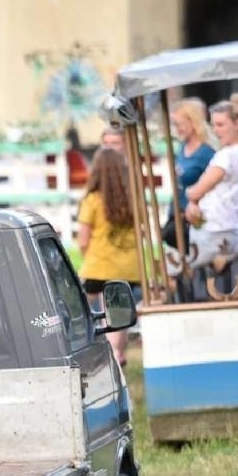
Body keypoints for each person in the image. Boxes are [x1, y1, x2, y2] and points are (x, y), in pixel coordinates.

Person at [75, 148, 143, 366]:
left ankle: (84, 348)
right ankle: (118, 352)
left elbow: (84, 240)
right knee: (118, 313)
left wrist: (89, 257)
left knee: (79, 307)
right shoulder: (134, 199)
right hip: (128, 268)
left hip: (99, 265)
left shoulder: (93, 200)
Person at [185, 100, 238, 274]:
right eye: (214, 125)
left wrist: (189, 194)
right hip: (230, 225)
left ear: (237, 124)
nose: (215, 131)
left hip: (213, 228)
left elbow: (198, 190)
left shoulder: (226, 155)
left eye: (221, 124)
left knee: (198, 279)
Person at [164, 98, 214, 254]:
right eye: (174, 124)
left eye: (179, 124)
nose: (176, 129)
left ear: (193, 122)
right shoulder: (182, 147)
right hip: (178, 211)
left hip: (196, 215)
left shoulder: (207, 152)